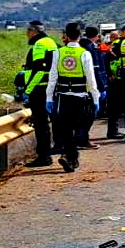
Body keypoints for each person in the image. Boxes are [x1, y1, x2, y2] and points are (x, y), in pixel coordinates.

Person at [46, 23, 100, 172]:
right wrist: (96, 98)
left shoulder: (58, 52)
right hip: (80, 96)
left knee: (66, 127)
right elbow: (91, 79)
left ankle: (70, 155)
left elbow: (52, 77)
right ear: (80, 35)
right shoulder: (84, 53)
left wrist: (49, 98)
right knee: (79, 127)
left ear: (66, 36)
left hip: (62, 96)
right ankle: (70, 155)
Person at [23, 21, 59, 168]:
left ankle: (44, 157)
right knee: (56, 121)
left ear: (34, 31)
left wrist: (28, 90)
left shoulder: (39, 45)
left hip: (39, 90)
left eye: (28, 31)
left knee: (41, 124)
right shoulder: (52, 42)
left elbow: (39, 70)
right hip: (52, 88)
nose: (27, 34)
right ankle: (61, 150)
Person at [75, 26, 107, 149]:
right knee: (89, 115)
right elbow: (95, 69)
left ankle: (80, 138)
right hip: (90, 87)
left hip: (77, 86)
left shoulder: (80, 46)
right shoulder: (90, 48)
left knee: (82, 115)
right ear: (97, 35)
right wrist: (101, 87)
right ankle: (82, 139)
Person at [105, 24, 125, 139]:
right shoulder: (117, 44)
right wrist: (110, 74)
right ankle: (112, 131)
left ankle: (119, 131)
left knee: (123, 107)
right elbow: (108, 58)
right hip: (116, 80)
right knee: (114, 107)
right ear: (122, 33)